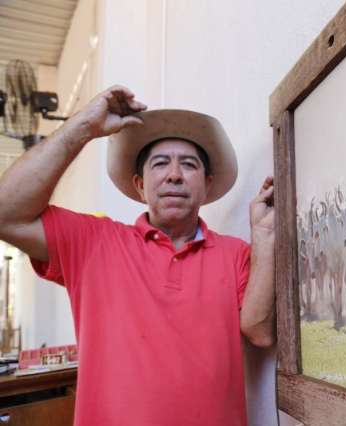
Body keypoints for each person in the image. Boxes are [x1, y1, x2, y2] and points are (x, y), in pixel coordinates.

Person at [0, 85, 275, 426]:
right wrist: (83, 126)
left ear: (206, 184)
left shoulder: (236, 253)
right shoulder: (93, 242)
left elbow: (260, 332)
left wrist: (263, 237)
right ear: (140, 185)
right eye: (160, 164)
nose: (174, 174)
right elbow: (5, 214)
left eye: (188, 165)